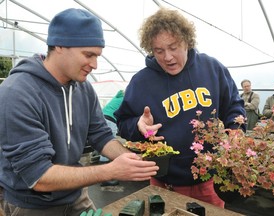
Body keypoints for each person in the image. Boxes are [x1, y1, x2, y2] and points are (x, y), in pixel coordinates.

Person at [0, 8, 158, 216]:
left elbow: (101, 136)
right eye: (88, 54)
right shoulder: (18, 93)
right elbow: (38, 177)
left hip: (76, 197)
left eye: (98, 55)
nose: (94, 65)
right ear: (60, 45)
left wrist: (131, 161)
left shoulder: (83, 89)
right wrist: (110, 170)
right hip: (32, 206)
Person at [114, 8, 245, 208]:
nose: (167, 57)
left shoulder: (212, 69)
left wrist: (236, 131)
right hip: (165, 181)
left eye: (173, 47)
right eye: (159, 51)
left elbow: (234, 106)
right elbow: (123, 122)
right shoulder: (141, 82)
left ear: (187, 41)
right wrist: (138, 126)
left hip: (210, 179)